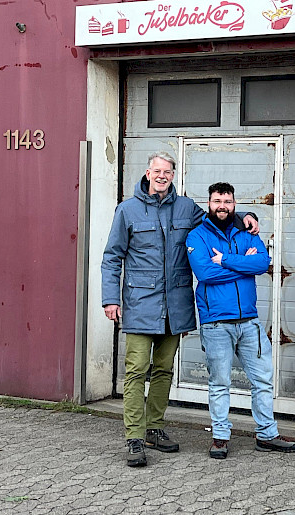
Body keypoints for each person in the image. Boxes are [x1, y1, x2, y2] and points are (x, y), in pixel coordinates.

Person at [102, 153, 259, 468]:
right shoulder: (127, 210)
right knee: (135, 371)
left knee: (163, 370)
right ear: (148, 172)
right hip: (140, 305)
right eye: (157, 171)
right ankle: (134, 436)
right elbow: (112, 256)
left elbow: (218, 220)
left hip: (175, 306)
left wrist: (246, 216)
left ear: (173, 175)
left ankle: (154, 428)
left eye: (168, 172)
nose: (162, 176)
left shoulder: (187, 208)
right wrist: (110, 299)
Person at [186, 181, 295, 459]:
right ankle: (220, 437)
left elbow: (262, 264)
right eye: (216, 201)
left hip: (249, 321)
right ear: (209, 203)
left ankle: (267, 435)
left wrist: (225, 259)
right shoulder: (197, 237)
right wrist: (242, 265)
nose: (222, 206)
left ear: (234, 204)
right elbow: (205, 273)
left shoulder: (247, 231)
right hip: (216, 323)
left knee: (263, 379)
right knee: (219, 382)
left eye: (227, 201)